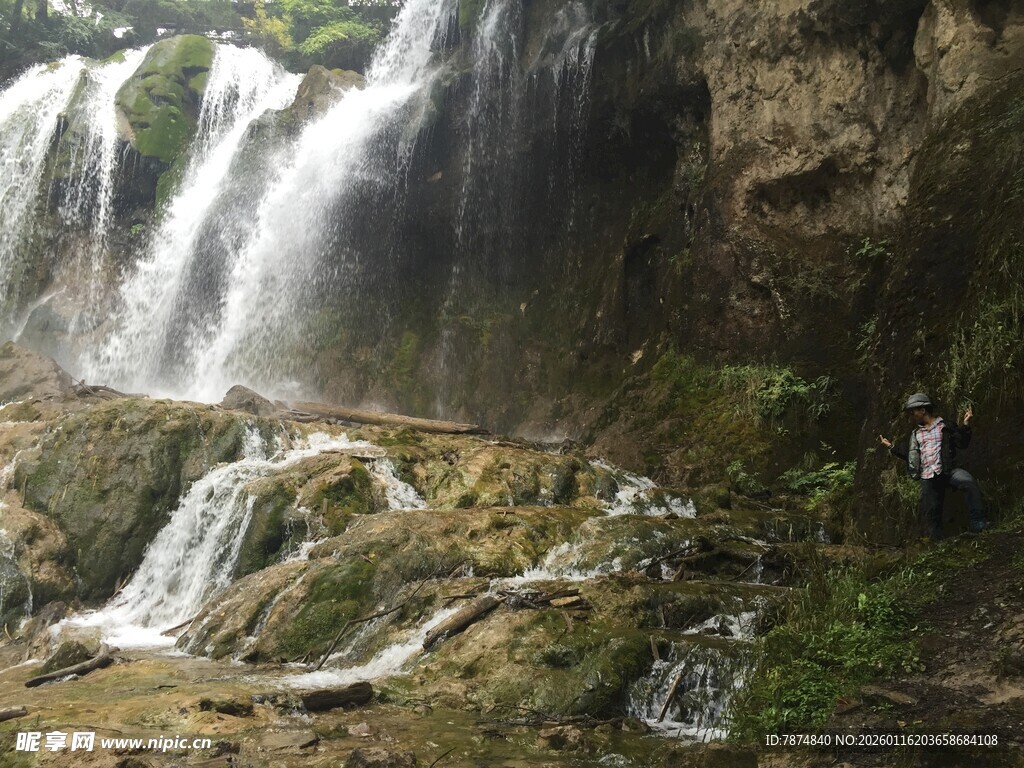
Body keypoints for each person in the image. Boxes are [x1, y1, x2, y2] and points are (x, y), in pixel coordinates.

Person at [878, 392, 987, 540]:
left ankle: (978, 524)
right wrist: (891, 446)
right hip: (928, 476)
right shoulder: (916, 435)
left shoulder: (945, 426)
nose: (912, 415)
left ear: (923, 410)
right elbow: (910, 456)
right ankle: (939, 544)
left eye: (913, 411)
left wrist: (966, 425)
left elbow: (962, 443)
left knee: (968, 482)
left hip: (948, 470)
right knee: (931, 511)